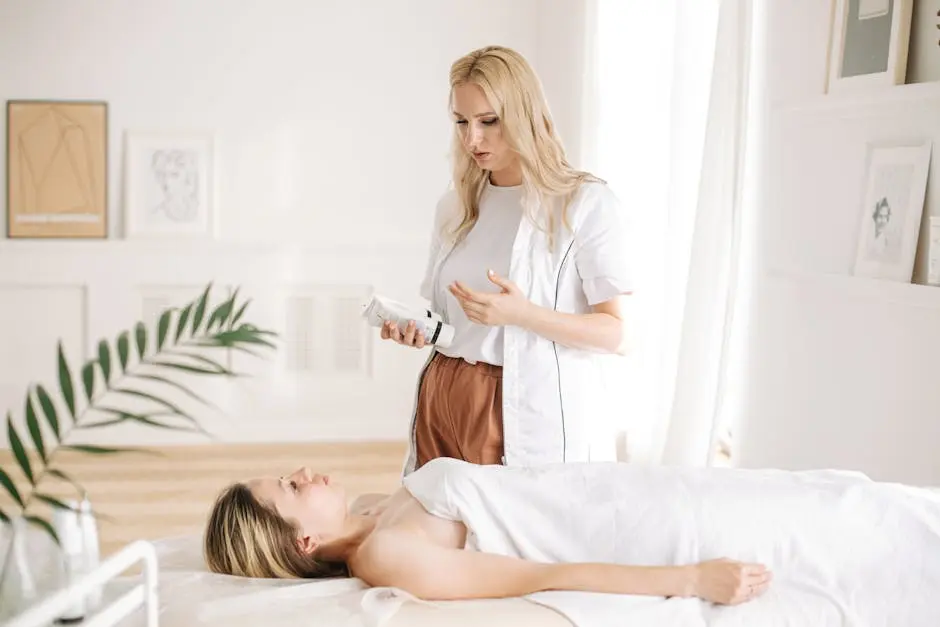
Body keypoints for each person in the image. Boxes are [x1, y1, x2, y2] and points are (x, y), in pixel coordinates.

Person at [202, 455, 940, 620]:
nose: (301, 472)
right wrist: (688, 578)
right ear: (303, 542)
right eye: (289, 489)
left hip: (632, 488)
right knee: (851, 537)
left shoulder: (372, 508)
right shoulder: (385, 554)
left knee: (838, 496)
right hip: (650, 530)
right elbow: (538, 575)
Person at [381, 44, 634, 477]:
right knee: (436, 533)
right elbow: (449, 317)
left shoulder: (585, 203)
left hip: (514, 404)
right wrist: (419, 329)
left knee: (509, 535)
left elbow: (616, 334)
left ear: (523, 114)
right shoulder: (456, 206)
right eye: (461, 122)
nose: (471, 139)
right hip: (444, 391)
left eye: (488, 121)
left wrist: (523, 315)